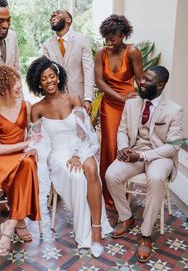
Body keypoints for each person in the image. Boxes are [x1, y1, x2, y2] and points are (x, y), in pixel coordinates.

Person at [26, 56, 112, 258]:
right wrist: (32, 147)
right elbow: (36, 137)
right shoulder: (36, 108)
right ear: (38, 82)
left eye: (52, 76)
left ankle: (97, 230)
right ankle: (84, 234)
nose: (49, 81)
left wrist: (76, 154)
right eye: (44, 78)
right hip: (57, 154)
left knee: (91, 169)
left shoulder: (74, 99)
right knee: (76, 177)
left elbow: (83, 132)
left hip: (79, 147)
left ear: (58, 76)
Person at [105, 66, 183, 263]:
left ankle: (146, 234)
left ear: (160, 85)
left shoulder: (174, 110)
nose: (142, 82)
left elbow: (173, 146)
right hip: (134, 150)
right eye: (143, 78)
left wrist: (141, 156)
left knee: (156, 178)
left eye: (147, 80)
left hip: (159, 156)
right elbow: (122, 130)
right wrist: (123, 148)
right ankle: (127, 217)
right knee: (110, 174)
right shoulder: (132, 103)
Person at [0, 65, 41, 256]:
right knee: (26, 165)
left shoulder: (26, 105)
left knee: (28, 163)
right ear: (2, 89)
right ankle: (20, 221)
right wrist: (26, 145)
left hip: (21, 156)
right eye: (13, 84)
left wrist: (33, 147)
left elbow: (34, 134)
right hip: (0, 158)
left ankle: (10, 224)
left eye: (18, 81)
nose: (19, 86)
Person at [95, 14, 143, 207]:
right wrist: (119, 97)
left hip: (130, 104)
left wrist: (146, 102)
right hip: (110, 104)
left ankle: (122, 190)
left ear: (123, 34)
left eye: (113, 35)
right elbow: (99, 81)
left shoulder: (132, 52)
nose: (109, 40)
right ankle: (108, 194)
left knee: (125, 145)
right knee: (109, 146)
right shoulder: (101, 53)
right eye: (106, 36)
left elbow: (140, 80)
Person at [43, 9, 94, 114]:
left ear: (68, 20)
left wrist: (87, 98)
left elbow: (89, 70)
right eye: (52, 15)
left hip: (79, 96)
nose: (53, 15)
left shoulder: (82, 40)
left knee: (80, 129)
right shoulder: (47, 45)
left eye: (58, 14)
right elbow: (46, 72)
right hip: (57, 99)